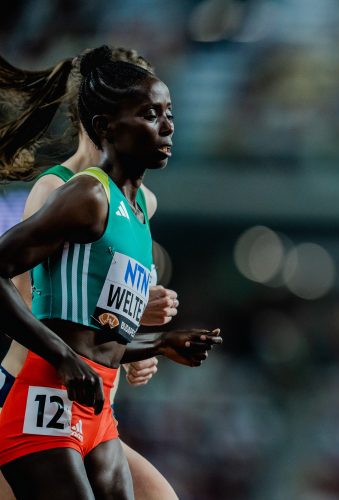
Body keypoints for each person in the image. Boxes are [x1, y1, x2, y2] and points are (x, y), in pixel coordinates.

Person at [0, 45, 221, 500]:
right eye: (148, 112)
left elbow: (97, 316)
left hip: (96, 401)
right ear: (103, 120)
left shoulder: (140, 205)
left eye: (166, 111)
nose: (165, 125)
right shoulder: (62, 189)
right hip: (39, 391)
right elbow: (37, 305)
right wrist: (75, 354)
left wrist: (143, 335)